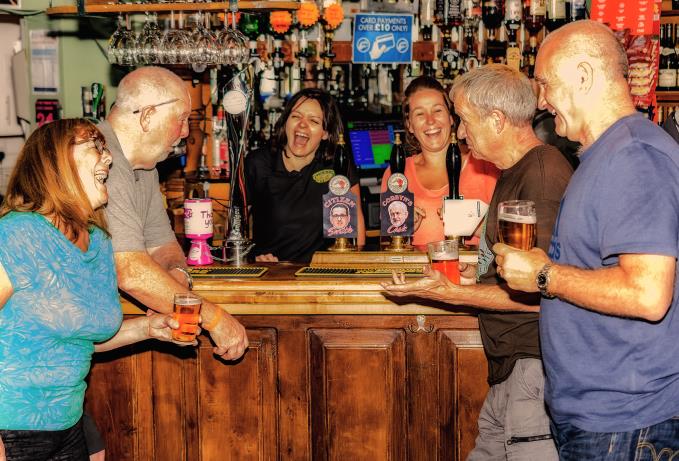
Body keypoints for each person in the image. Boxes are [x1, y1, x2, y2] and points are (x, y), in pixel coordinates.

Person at [494, 20, 679, 459]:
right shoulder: (603, 154)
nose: (541, 101)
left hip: (626, 421)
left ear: (582, 75)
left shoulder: (634, 155)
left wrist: (544, 274)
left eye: (544, 83)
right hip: (603, 417)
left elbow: (647, 293)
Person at [383, 64, 574, 460]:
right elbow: (517, 269)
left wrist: (453, 293)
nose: (462, 133)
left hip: (532, 364)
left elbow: (542, 292)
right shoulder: (512, 171)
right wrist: (479, 271)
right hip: (511, 367)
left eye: (465, 120)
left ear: (497, 120)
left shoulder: (540, 173)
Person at [0, 119, 195, 460]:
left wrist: (149, 328)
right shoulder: (16, 234)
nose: (108, 158)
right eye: (95, 147)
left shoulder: (99, 243)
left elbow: (83, 338)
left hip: (69, 424)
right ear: (54, 162)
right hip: (12, 429)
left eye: (106, 148)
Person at [101, 66, 247, 361]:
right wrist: (213, 317)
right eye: (181, 119)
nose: (184, 133)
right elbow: (130, 272)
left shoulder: (145, 168)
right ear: (148, 116)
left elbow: (163, 244)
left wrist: (175, 281)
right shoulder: (103, 161)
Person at [246, 88, 366, 263]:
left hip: (320, 277)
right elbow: (234, 228)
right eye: (296, 116)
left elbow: (357, 238)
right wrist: (252, 258)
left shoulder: (337, 167)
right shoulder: (258, 163)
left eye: (313, 121)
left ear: (325, 133)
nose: (302, 124)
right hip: (270, 275)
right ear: (286, 121)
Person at [381, 76, 500, 249]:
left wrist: (472, 224)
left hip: (472, 274)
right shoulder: (396, 174)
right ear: (410, 125)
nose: (430, 121)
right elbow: (385, 246)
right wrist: (400, 231)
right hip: (418, 275)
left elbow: (509, 239)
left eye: (437, 111)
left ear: (451, 117)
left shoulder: (485, 167)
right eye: (420, 114)